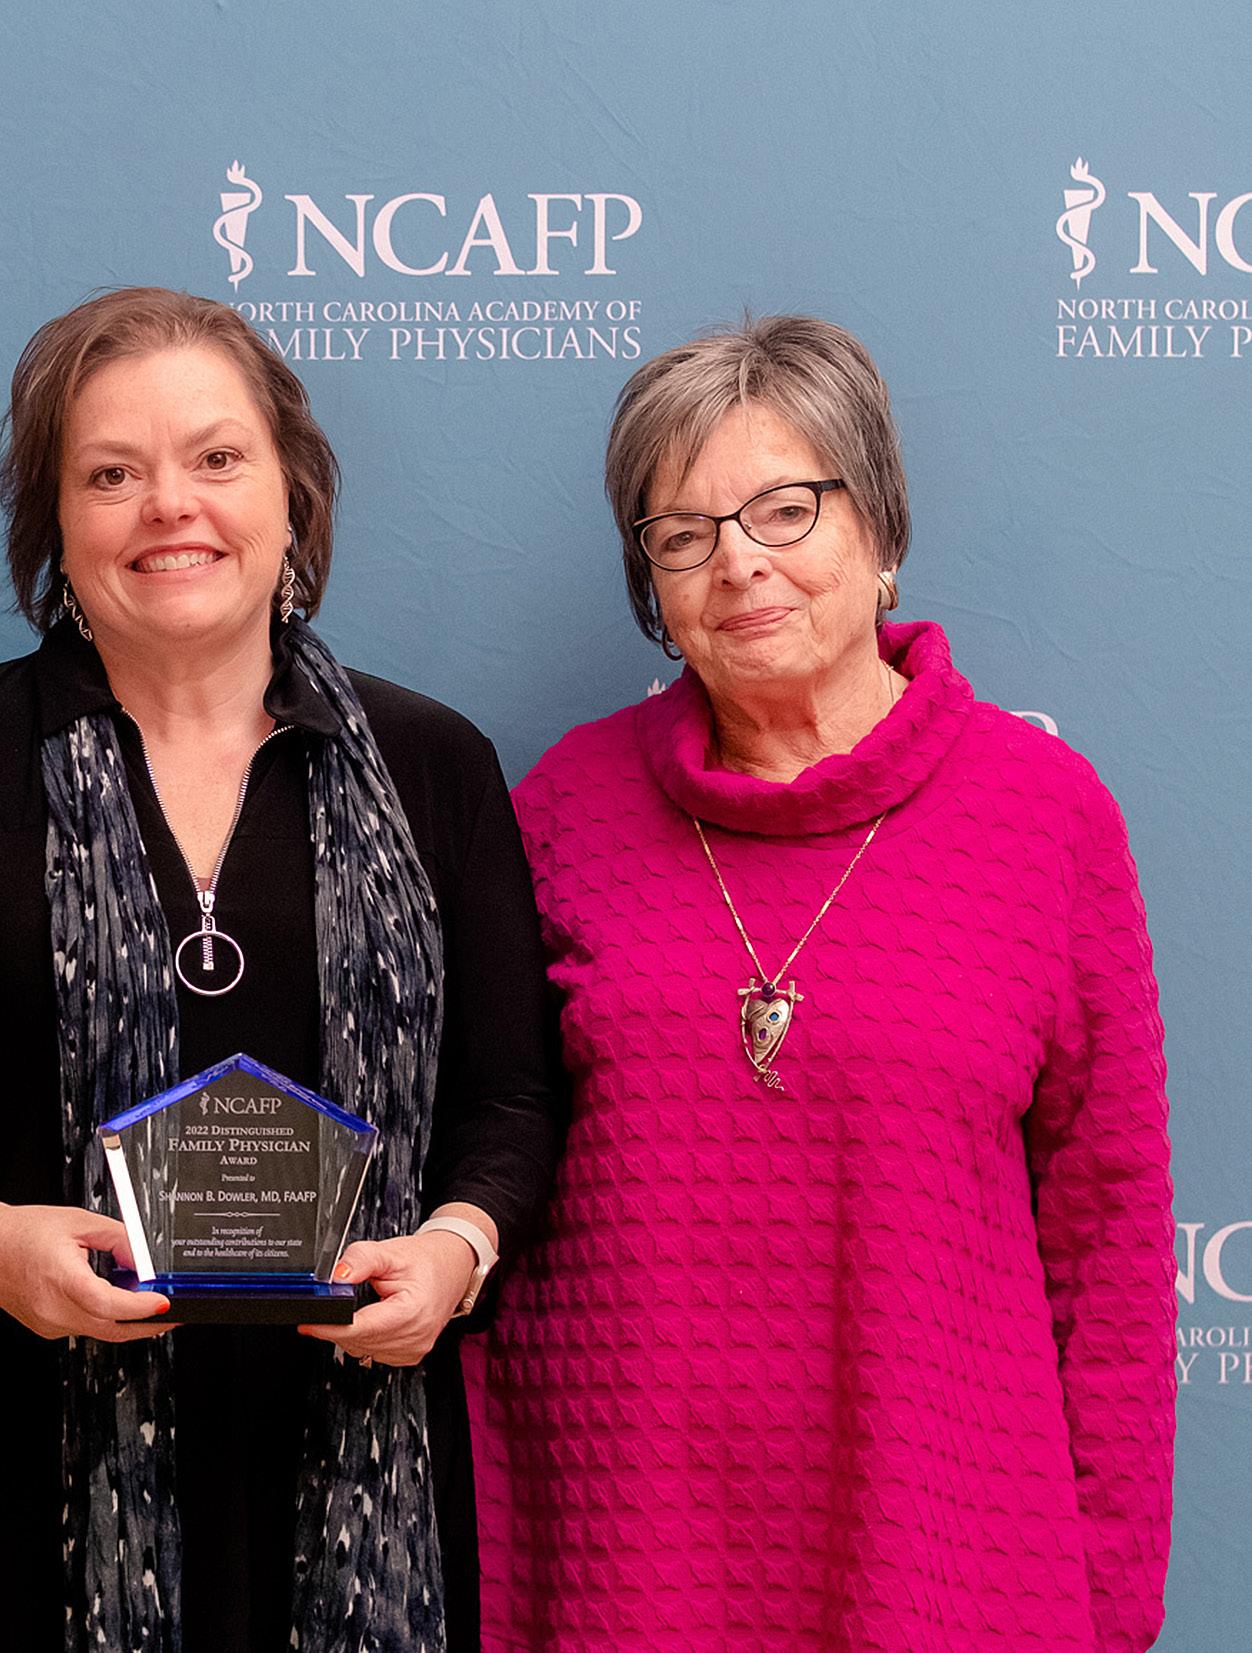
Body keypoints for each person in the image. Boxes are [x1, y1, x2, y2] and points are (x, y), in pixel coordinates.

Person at [472, 316, 1176, 1652]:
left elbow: (1112, 1237)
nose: (739, 560)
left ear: (881, 530)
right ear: (654, 586)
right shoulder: (563, 807)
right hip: (626, 1557)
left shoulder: (1045, 814)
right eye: (684, 533)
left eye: (785, 509)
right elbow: (483, 1160)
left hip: (947, 1558)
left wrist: (1110, 1593)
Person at [0, 286, 561, 1653]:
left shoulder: (434, 765)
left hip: (359, 1465)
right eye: (111, 474)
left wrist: (454, 1250)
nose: (169, 506)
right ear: (54, 524)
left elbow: (511, 1097)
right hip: (33, 1459)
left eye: (216, 457)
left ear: (291, 497)